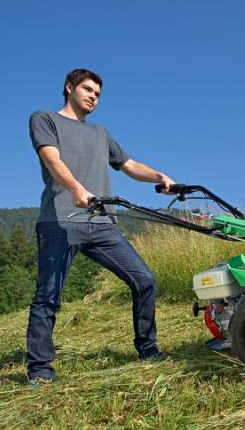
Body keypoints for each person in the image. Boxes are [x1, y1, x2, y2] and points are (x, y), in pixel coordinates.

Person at [26, 69, 175, 386]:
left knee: (144, 279)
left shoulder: (100, 133)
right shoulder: (44, 119)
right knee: (48, 297)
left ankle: (148, 351)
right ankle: (40, 371)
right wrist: (77, 190)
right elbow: (52, 159)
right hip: (60, 221)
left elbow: (129, 165)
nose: (93, 96)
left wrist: (159, 176)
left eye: (98, 93)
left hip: (102, 224)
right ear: (69, 88)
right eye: (87, 89)